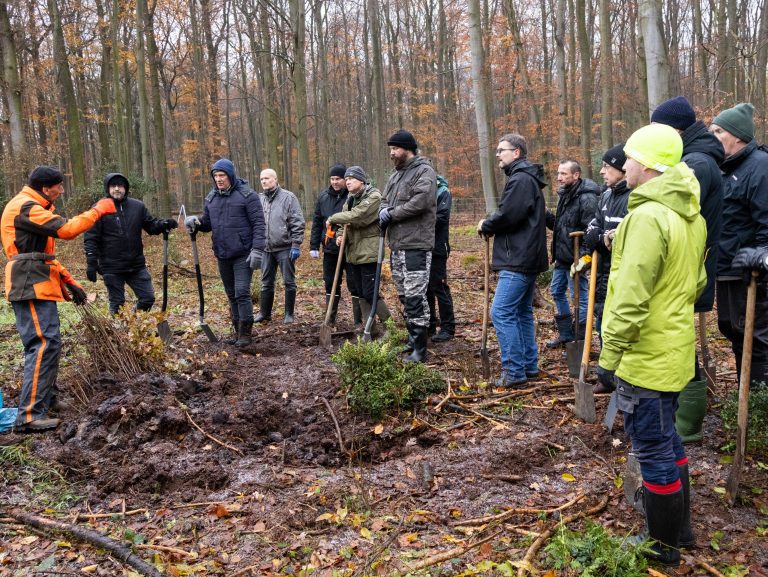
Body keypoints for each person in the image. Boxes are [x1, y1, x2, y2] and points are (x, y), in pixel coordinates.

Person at [596, 124, 707, 565]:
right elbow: (696, 282)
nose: (627, 164)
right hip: (675, 350)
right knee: (669, 440)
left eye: (632, 157)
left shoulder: (645, 217)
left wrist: (610, 357)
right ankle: (681, 529)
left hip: (645, 354)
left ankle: (661, 548)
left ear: (651, 166)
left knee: (651, 448)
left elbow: (628, 296)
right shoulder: (689, 215)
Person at [1, 166, 117, 432]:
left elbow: (42, 253)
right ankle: (30, 415)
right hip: (28, 283)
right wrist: (97, 210)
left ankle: (47, 398)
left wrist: (68, 280)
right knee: (43, 344)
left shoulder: (33, 206)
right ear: (45, 188)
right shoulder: (27, 207)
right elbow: (66, 230)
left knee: (49, 343)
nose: (62, 191)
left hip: (37, 280)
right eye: (59, 186)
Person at [651, 95, 725, 442]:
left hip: (687, 268)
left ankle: (689, 422)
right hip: (687, 266)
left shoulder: (696, 164)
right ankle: (682, 414)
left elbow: (672, 209)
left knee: (679, 341)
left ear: (675, 129)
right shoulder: (692, 158)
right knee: (678, 339)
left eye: (658, 129)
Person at [478, 133, 548, 388]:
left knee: (502, 311)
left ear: (516, 152)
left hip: (517, 257)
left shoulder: (520, 180)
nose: (497, 154)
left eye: (502, 150)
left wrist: (487, 223)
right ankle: (529, 367)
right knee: (521, 312)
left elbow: (509, 215)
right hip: (525, 255)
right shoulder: (527, 179)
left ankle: (514, 371)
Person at [710, 102, 768, 391]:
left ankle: (758, 401)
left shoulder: (759, 167)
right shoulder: (724, 170)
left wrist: (761, 255)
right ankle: (745, 393)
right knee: (732, 329)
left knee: (754, 335)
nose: (714, 136)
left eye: (719, 131)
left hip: (751, 274)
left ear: (738, 135)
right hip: (726, 268)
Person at [184, 159, 266, 347]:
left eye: (222, 175)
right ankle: (237, 331)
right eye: (216, 176)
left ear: (230, 175)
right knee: (231, 294)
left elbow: (259, 224)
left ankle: (246, 333)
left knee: (242, 292)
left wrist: (257, 250)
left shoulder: (247, 195)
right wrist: (195, 222)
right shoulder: (212, 198)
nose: (219, 179)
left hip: (243, 252)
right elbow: (207, 223)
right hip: (222, 253)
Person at [379, 129, 437, 362]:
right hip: (397, 246)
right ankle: (412, 340)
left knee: (415, 297)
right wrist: (383, 210)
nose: (392, 153)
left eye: (395, 149)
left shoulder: (424, 172)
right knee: (404, 295)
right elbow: (384, 200)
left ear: (407, 149)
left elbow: (420, 202)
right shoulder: (395, 176)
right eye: (391, 149)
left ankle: (421, 350)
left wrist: (392, 214)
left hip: (416, 245)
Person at [84, 173, 178, 315]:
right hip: (111, 266)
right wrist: (91, 262)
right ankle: (120, 334)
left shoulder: (137, 206)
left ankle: (134, 325)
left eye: (120, 186)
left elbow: (151, 225)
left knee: (147, 298)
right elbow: (91, 236)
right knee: (117, 304)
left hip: (136, 265)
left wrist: (163, 224)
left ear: (126, 188)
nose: (117, 189)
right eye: (113, 186)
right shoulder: (99, 208)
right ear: (107, 188)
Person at [582, 144, 630, 391]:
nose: (601, 172)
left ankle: (621, 377)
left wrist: (602, 239)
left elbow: (625, 241)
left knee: (617, 327)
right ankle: (606, 376)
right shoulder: (607, 195)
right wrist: (601, 239)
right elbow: (592, 230)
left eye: (607, 166)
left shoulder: (632, 197)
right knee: (602, 325)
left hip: (621, 275)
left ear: (622, 169)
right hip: (601, 275)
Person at [327, 166, 391, 335]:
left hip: (369, 252)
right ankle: (371, 329)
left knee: (371, 291)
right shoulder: (350, 199)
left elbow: (357, 216)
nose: (347, 182)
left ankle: (390, 327)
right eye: (346, 179)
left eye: (351, 179)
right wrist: (340, 235)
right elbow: (344, 224)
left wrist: (332, 218)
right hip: (354, 252)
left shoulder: (374, 197)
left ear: (362, 181)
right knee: (360, 291)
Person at [545, 160, 599, 347]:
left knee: (580, 296)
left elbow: (591, 230)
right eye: (558, 173)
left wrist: (584, 258)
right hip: (563, 256)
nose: (559, 178)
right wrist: (545, 215)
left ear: (576, 175)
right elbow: (560, 227)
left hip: (577, 256)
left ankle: (580, 338)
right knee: (557, 291)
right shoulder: (565, 195)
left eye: (564, 174)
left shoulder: (587, 198)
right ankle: (567, 334)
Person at [255, 168, 305, 324]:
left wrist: (296, 244)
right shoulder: (259, 199)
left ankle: (289, 314)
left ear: (275, 179)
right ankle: (265, 313)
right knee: (266, 283)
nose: (264, 181)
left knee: (289, 282)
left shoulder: (288, 198)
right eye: (262, 179)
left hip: (284, 247)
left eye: (267, 178)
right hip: (266, 248)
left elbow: (297, 222)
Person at [309, 164, 352, 326]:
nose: (335, 182)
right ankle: (330, 318)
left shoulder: (351, 196)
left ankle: (358, 320)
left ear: (344, 179)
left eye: (338, 179)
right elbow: (317, 222)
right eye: (332, 179)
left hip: (349, 247)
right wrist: (314, 246)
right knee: (330, 282)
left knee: (354, 284)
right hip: (329, 248)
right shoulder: (323, 197)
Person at [427, 175, 456, 342]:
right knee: (425, 287)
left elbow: (442, 217)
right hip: (422, 246)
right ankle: (430, 323)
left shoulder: (443, 192)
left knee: (439, 286)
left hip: (438, 247)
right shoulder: (422, 190)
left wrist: (420, 220)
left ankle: (448, 327)